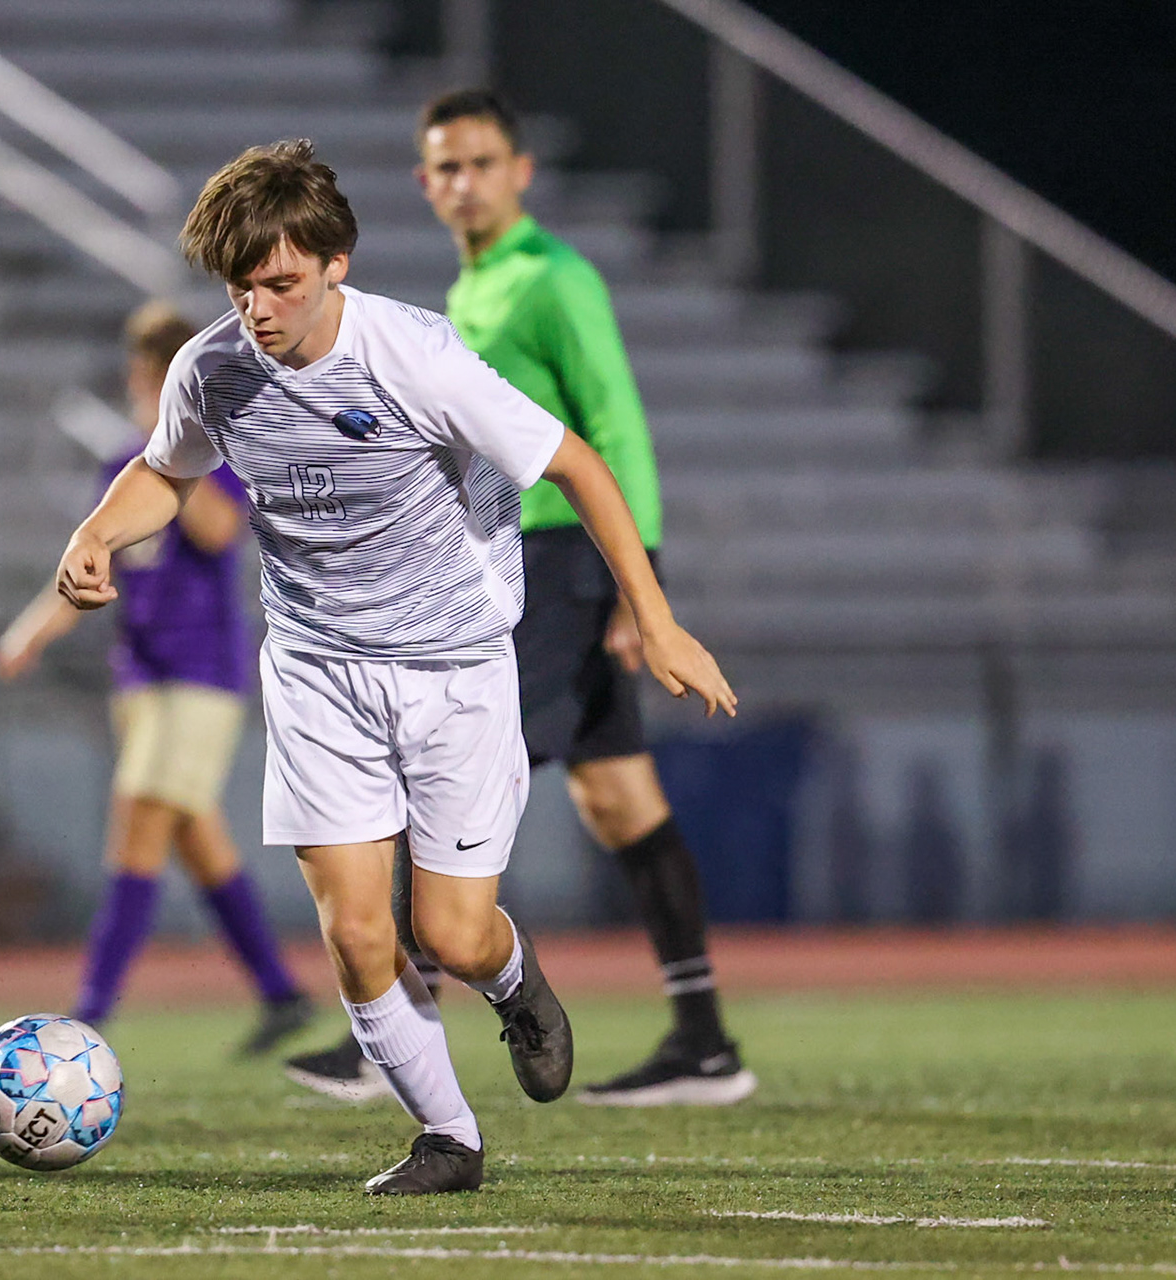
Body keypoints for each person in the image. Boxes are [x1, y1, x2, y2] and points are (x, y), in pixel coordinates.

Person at [56, 139, 736, 1194]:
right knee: (356, 927)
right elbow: (163, 470)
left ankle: (514, 982)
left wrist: (657, 618)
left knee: (450, 931)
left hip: (455, 667)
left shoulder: (415, 357)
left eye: (281, 281)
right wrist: (99, 532)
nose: (259, 308)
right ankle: (448, 1137)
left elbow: (576, 464)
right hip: (320, 672)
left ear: (336, 263)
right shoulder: (213, 369)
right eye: (242, 286)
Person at [286, 90, 757, 1108]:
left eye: (482, 162)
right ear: (426, 183)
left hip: (559, 567)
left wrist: (647, 595)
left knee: (433, 778)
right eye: (446, 167)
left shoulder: (551, 279)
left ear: (520, 171)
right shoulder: (474, 291)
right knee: (620, 796)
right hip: (541, 564)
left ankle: (389, 1024)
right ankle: (706, 1037)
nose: (465, 182)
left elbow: (613, 431)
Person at [0, 299, 313, 1058]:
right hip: (139, 679)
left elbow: (219, 530)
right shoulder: (123, 468)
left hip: (199, 677)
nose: (143, 391)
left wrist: (186, 437)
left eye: (159, 380)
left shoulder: (212, 458)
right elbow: (90, 562)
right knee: (197, 839)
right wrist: (31, 632)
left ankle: (90, 1012)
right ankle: (279, 991)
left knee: (138, 819)